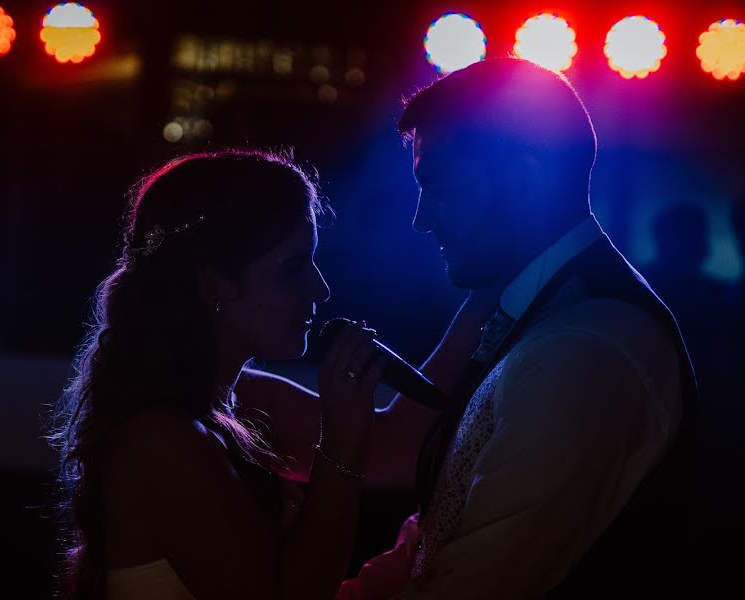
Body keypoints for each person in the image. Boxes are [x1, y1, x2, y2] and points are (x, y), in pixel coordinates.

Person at [237, 57, 698, 598]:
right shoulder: (533, 306)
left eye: (440, 187)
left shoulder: (581, 346)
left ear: (527, 180)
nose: (421, 217)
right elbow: (440, 527)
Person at [48, 149, 388, 600]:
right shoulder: (163, 440)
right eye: (293, 267)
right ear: (213, 283)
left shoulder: (209, 416)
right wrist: (343, 439)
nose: (320, 289)